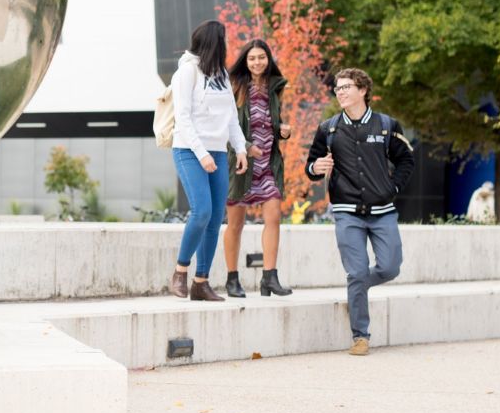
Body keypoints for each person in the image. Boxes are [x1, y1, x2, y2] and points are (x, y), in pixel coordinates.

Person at [305, 68, 414, 356]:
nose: (340, 92)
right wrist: (316, 168)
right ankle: (360, 336)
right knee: (355, 272)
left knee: (390, 267)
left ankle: (356, 288)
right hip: (346, 212)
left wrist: (393, 188)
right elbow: (311, 166)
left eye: (346, 87)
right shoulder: (328, 129)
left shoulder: (386, 126)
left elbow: (406, 161)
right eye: (337, 88)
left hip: (383, 210)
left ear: (363, 90)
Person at [168, 20, 250, 301]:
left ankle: (200, 283)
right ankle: (180, 271)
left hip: (216, 151)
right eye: (223, 41)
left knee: (216, 218)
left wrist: (240, 148)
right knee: (201, 211)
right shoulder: (186, 72)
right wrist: (201, 154)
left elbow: (230, 116)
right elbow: (184, 117)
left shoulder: (222, 75)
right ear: (214, 43)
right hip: (189, 150)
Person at [224, 39, 293, 298]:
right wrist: (246, 146)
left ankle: (269, 277)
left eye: (261, 57)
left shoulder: (276, 87)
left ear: (268, 59)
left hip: (267, 163)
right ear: (245, 60)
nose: (257, 62)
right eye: (252, 58)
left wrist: (282, 131)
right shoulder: (235, 86)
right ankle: (232, 279)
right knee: (235, 224)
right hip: (240, 163)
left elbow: (272, 123)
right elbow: (227, 125)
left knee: (274, 216)